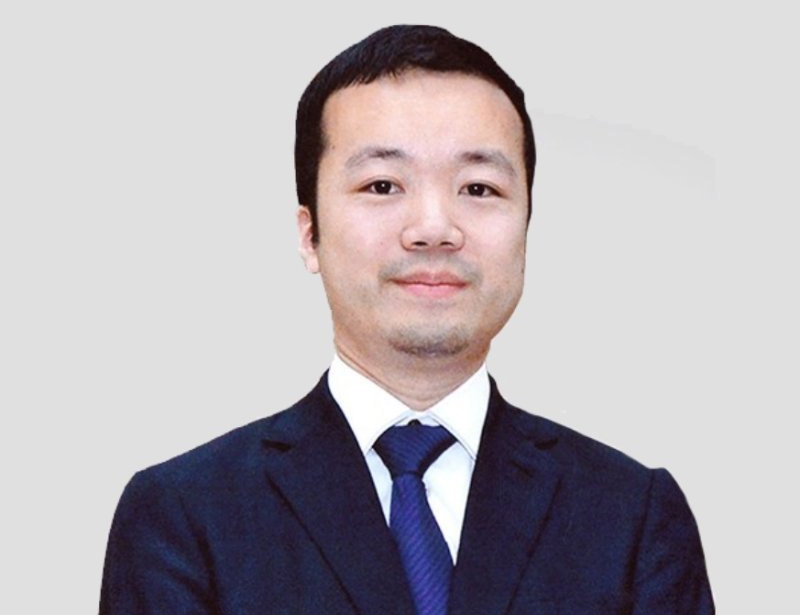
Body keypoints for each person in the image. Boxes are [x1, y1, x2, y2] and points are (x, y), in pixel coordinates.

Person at [99, 25, 714, 614]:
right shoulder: (186, 515)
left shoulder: (630, 516)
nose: (433, 229)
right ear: (310, 234)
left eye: (478, 189)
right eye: (383, 185)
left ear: (527, 225)